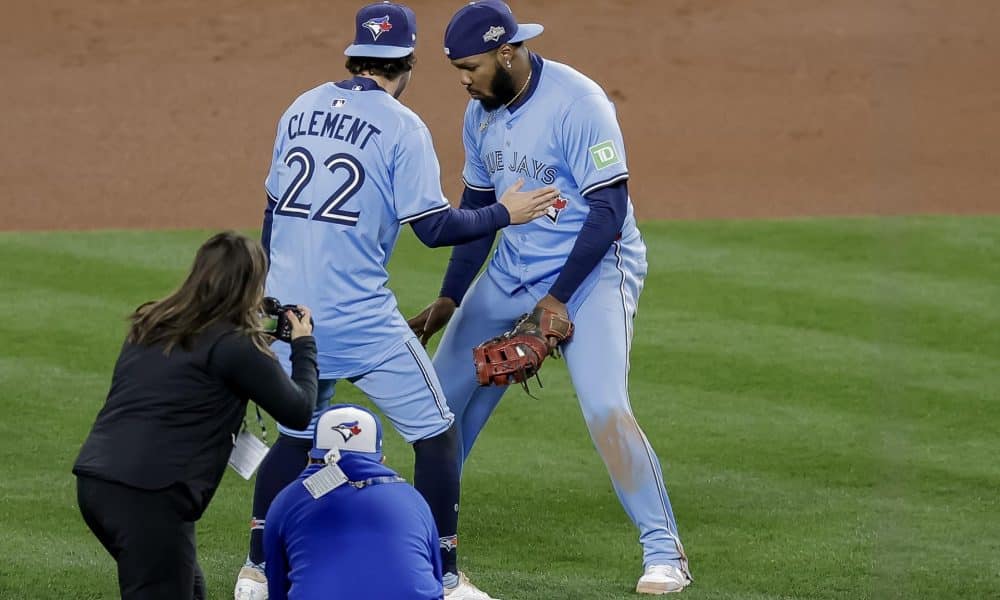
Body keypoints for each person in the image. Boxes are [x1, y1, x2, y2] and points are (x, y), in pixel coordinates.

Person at [235, 3, 558, 599]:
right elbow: (434, 227)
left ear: (354, 54)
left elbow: (272, 212)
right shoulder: (402, 125)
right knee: (437, 433)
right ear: (407, 63)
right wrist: (505, 212)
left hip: (288, 313)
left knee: (296, 435)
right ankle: (448, 576)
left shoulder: (300, 106)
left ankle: (255, 572)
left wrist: (266, 293)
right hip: (360, 319)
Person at [407, 0, 693, 594]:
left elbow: (609, 211)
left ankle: (664, 552)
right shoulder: (479, 113)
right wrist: (451, 297)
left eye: (471, 66)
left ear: (507, 52)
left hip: (591, 276)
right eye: (457, 68)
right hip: (512, 271)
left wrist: (558, 300)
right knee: (438, 409)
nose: (463, 79)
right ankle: (418, 543)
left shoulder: (579, 104)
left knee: (605, 407)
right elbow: (480, 213)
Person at [73, 231, 318, 600]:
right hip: (149, 495)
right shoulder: (235, 346)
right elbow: (299, 410)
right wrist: (304, 345)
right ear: (250, 286)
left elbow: (191, 372)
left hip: (99, 480)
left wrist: (257, 344)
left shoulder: (153, 322)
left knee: (188, 589)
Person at [264, 404, 444, 600]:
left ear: (311, 457)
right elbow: (436, 578)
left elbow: (277, 589)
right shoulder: (414, 499)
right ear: (380, 460)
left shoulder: (286, 501)